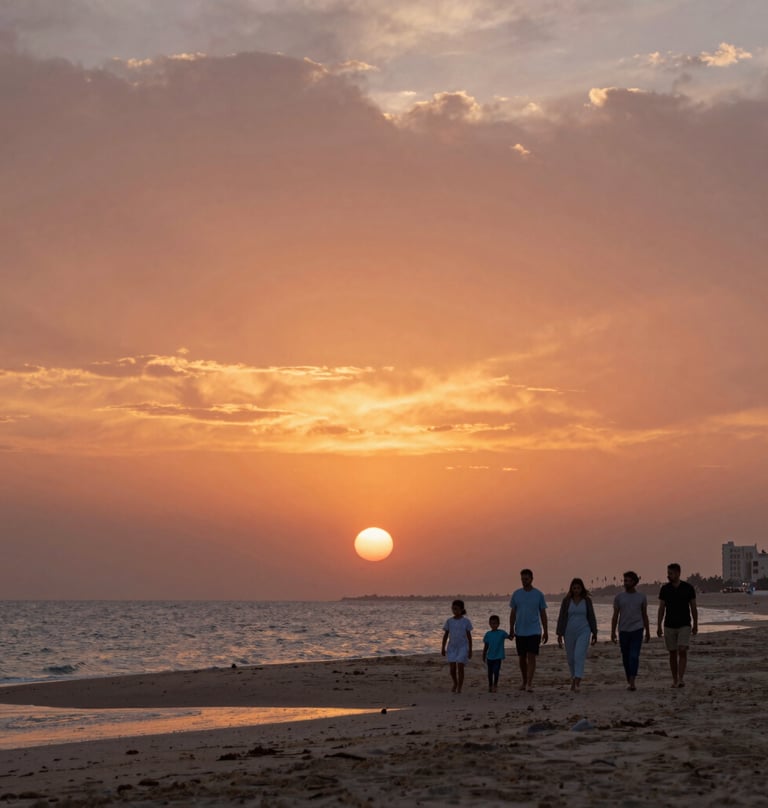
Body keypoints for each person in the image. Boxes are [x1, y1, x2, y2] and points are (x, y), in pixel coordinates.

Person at [657, 563, 698, 688]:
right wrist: (658, 625)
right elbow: (661, 608)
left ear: (678, 573)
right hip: (669, 625)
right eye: (668, 573)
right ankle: (674, 679)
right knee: (672, 653)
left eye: (671, 573)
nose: (669, 575)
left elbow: (693, 607)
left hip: (684, 624)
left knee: (682, 650)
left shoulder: (688, 588)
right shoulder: (665, 589)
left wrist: (695, 624)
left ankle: (681, 678)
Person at [509, 569, 548, 692]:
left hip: (534, 630)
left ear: (531, 579)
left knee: (531, 656)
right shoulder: (516, 594)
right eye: (522, 579)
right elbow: (513, 613)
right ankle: (524, 680)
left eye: (526, 579)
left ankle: (529, 683)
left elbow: (543, 613)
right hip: (520, 631)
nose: (524, 581)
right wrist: (511, 628)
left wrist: (546, 630)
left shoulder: (538, 594)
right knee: (521, 657)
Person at [611, 571, 651, 691]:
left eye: (628, 580)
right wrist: (613, 632)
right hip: (623, 630)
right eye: (624, 580)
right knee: (626, 656)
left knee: (634, 655)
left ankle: (632, 681)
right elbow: (615, 616)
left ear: (634, 582)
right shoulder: (619, 597)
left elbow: (645, 615)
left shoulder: (641, 597)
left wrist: (648, 631)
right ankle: (629, 676)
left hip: (637, 630)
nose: (625, 583)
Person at [556, 578, 597, 692]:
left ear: (582, 588)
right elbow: (561, 617)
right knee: (571, 658)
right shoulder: (566, 600)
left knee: (579, 655)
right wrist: (559, 633)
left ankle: (577, 681)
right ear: (571, 588)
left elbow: (591, 616)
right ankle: (574, 677)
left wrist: (594, 632)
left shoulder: (587, 600)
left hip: (584, 630)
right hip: (569, 631)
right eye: (574, 588)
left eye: (578, 588)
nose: (576, 590)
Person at [441, 599, 473, 693]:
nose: (455, 611)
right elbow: (446, 635)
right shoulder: (449, 621)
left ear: (461, 609)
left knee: (460, 666)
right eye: (453, 609)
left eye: (457, 609)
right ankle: (455, 682)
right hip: (452, 647)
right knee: (452, 668)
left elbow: (469, 636)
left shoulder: (466, 621)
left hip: (463, 647)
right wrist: (443, 647)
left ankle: (459, 687)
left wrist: (470, 650)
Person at [482, 615, 510, 692]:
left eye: (495, 623)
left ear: (498, 624)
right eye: (492, 623)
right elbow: (486, 646)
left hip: (498, 657)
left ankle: (495, 685)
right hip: (489, 657)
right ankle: (490, 685)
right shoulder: (488, 634)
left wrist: (513, 631)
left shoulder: (502, 633)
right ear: (489, 624)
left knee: (496, 671)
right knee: (490, 673)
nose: (493, 625)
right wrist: (484, 654)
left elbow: (510, 637)